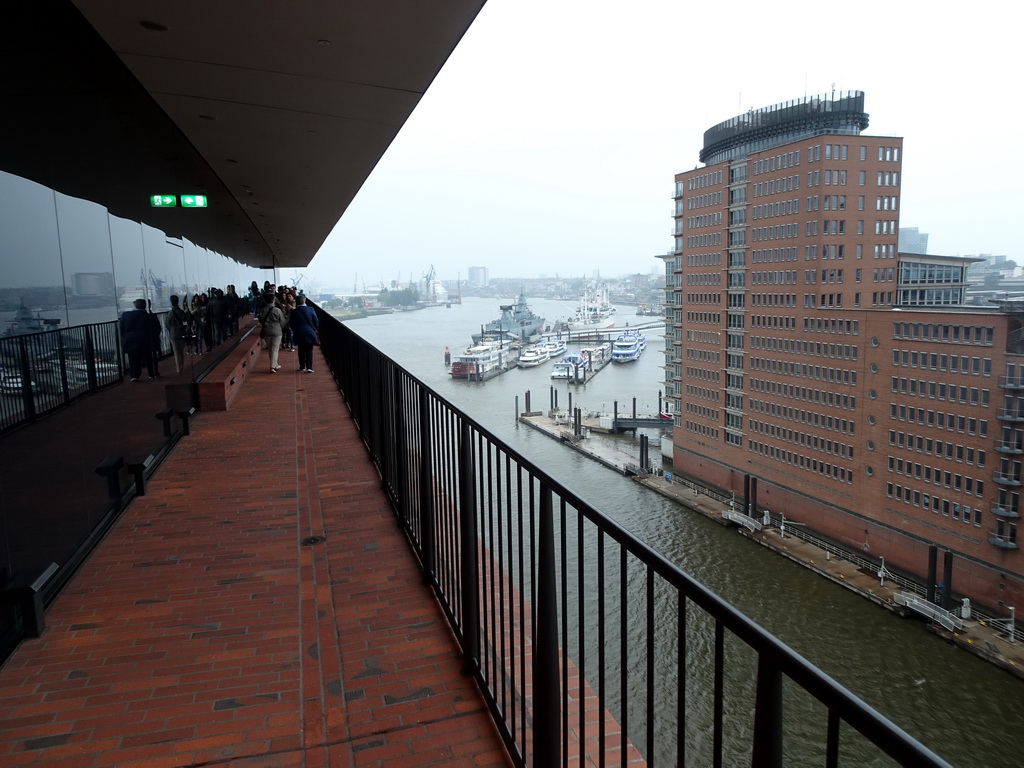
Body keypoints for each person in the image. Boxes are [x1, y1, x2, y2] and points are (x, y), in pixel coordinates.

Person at [120, 298, 152, 381]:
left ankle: (134, 375)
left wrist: (124, 337)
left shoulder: (125, 315)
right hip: (144, 339)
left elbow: (122, 329)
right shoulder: (147, 316)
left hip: (130, 339)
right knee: (147, 356)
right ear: (145, 306)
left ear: (135, 305)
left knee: (132, 358)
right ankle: (151, 373)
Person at [289, 295, 319, 372]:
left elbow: (291, 323)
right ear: (304, 301)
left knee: (301, 349)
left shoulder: (294, 312)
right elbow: (316, 321)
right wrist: (314, 329)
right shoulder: (311, 309)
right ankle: (309, 367)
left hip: (298, 332)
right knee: (309, 349)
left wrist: (295, 330)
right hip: (309, 331)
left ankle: (302, 366)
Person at [258, 291, 285, 373]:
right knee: (275, 349)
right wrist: (281, 328)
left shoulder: (262, 310)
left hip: (266, 330)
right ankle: (272, 366)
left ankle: (275, 364)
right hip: (276, 331)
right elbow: (282, 321)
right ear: (273, 300)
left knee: (271, 349)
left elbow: (260, 320)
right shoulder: (277, 310)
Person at [164, 294, 188, 373]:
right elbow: (185, 322)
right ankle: (182, 366)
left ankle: (178, 368)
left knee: (176, 352)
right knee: (181, 351)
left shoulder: (170, 313)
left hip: (173, 334)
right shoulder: (181, 312)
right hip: (181, 333)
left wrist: (171, 330)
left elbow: (167, 324)